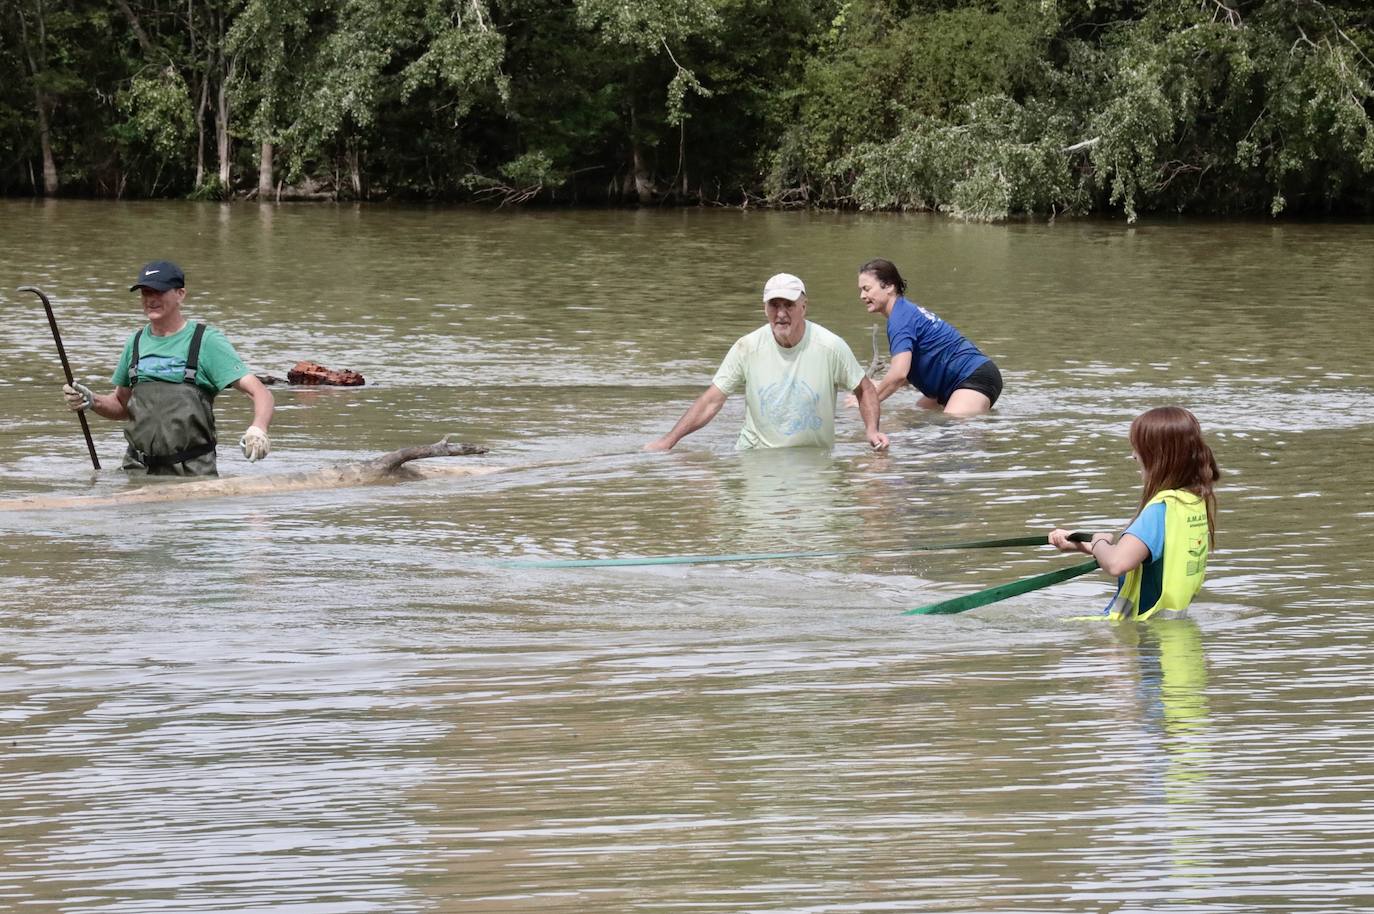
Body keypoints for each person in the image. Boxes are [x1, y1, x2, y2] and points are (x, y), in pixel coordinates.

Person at [62, 260, 275, 476]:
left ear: (180, 294)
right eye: (146, 292)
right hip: (136, 471)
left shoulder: (206, 341)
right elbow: (121, 405)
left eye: (159, 291)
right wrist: (92, 400)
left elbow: (260, 393)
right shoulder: (134, 343)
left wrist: (258, 429)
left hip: (193, 476)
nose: (151, 299)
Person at [646, 273, 889, 452]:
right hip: (756, 456)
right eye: (774, 305)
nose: (781, 313)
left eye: (789, 305)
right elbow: (712, 401)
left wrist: (872, 430)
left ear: (803, 308)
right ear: (765, 309)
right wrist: (669, 441)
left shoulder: (830, 346)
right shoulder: (747, 347)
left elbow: (864, 388)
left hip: (813, 458)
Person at [1050, 406, 1221, 620]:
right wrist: (1080, 546)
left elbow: (1117, 564)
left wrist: (1099, 540)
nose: (1133, 456)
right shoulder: (1191, 504)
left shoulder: (1159, 511)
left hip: (1140, 644)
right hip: (1174, 643)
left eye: (1139, 448)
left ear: (1159, 456)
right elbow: (1145, 557)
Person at [852, 258, 1002, 417]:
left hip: (974, 377)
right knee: (915, 417)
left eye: (867, 288)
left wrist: (866, 401)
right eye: (861, 290)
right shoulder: (903, 312)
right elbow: (910, 371)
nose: (862, 295)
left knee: (949, 425)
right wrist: (878, 386)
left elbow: (898, 374)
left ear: (889, 286)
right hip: (955, 381)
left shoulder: (900, 319)